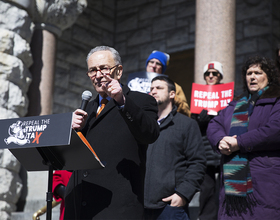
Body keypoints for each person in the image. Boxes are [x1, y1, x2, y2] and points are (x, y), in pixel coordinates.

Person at [64, 46, 160, 219]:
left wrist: (122, 101)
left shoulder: (140, 100)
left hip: (116, 206)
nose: (98, 75)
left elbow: (150, 134)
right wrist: (70, 131)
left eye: (104, 68)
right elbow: (69, 162)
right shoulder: (86, 108)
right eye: (92, 70)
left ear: (119, 71)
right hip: (78, 205)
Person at [207, 55, 280, 219]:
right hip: (232, 193)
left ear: (268, 76)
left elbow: (275, 129)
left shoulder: (276, 100)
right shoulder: (235, 104)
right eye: (249, 73)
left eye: (258, 72)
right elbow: (214, 124)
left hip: (265, 185)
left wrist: (239, 142)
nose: (252, 77)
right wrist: (220, 141)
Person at [144, 76, 206, 220]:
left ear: (172, 94)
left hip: (171, 207)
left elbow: (198, 163)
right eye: (151, 88)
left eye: (159, 88)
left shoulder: (187, 125)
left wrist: (183, 194)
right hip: (141, 206)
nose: (153, 91)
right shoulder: (144, 125)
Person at [191, 61, 223, 220]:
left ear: (220, 76)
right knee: (207, 190)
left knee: (225, 189)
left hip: (224, 149)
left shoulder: (229, 96)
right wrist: (200, 119)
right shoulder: (198, 99)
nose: (211, 76)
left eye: (214, 73)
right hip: (206, 151)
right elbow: (193, 127)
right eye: (207, 74)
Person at [146, 50, 191, 117]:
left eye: (158, 63)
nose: (154, 65)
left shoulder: (174, 86)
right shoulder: (134, 82)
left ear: (163, 68)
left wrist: (172, 98)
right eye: (151, 62)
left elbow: (186, 112)